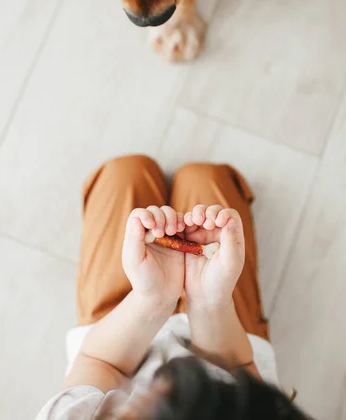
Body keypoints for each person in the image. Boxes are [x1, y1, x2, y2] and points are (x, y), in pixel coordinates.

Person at [36, 155, 309, 419]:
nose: (170, 371)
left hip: (111, 333)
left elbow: (100, 361)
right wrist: (209, 301)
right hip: (225, 330)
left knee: (125, 173)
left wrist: (151, 299)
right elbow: (240, 367)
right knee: (205, 178)